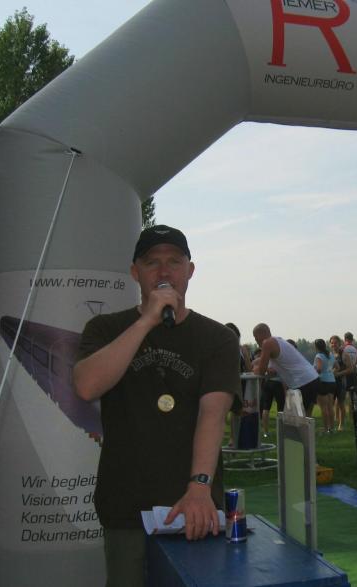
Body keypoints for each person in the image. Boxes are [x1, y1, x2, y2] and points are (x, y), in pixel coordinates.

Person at [73, 225, 240, 586]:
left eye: (174, 262)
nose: (164, 272)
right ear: (135, 272)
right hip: (126, 507)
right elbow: (86, 386)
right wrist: (147, 320)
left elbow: (212, 415)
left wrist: (199, 487)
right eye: (152, 263)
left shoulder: (218, 338)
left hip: (194, 507)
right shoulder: (104, 328)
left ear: (190, 271)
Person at [252, 323, 320, 417]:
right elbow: (273, 368)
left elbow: (261, 371)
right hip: (312, 378)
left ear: (261, 334)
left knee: (296, 419)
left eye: (255, 337)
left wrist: (257, 369)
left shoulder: (267, 343)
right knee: (306, 418)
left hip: (302, 382)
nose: (255, 340)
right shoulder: (278, 340)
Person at [225, 322, 253, 448]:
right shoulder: (222, 349)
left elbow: (249, 369)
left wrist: (246, 355)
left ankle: (235, 438)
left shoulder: (241, 350)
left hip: (241, 385)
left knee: (237, 412)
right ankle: (229, 439)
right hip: (227, 384)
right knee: (225, 411)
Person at [313, 339, 336, 433]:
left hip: (322, 382)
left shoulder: (319, 356)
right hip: (332, 381)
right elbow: (337, 367)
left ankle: (326, 429)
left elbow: (318, 369)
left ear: (316, 347)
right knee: (330, 406)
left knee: (324, 407)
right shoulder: (331, 355)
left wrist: (311, 373)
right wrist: (329, 372)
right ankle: (332, 428)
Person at [329, 335, 348, 431]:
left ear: (339, 344)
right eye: (332, 343)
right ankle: (331, 425)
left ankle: (341, 425)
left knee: (341, 404)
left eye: (335, 343)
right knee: (330, 404)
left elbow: (351, 369)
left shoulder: (344, 354)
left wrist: (338, 374)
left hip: (341, 382)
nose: (333, 345)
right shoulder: (329, 354)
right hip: (331, 382)